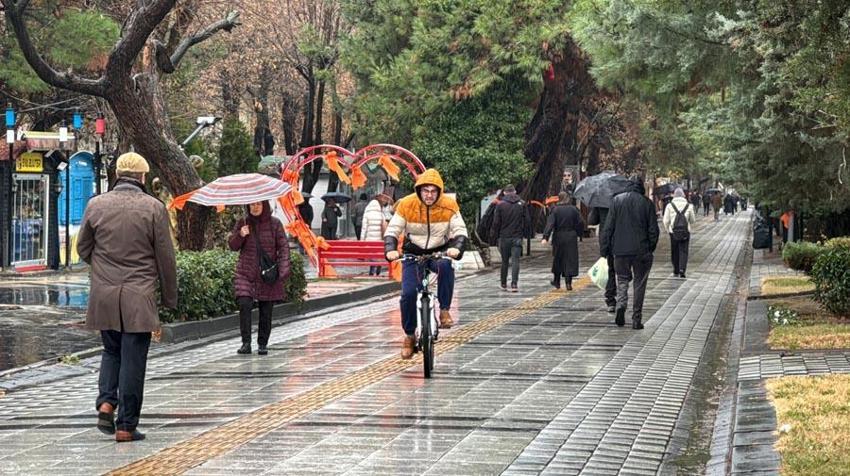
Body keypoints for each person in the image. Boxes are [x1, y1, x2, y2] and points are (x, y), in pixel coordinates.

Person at [76, 152, 176, 443]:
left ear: (118, 174)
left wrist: (103, 265)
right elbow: (165, 258)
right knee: (133, 359)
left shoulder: (96, 204)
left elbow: (83, 247)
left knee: (111, 351)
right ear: (143, 177)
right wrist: (170, 298)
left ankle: (106, 402)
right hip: (139, 295)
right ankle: (125, 426)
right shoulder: (153, 208)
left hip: (105, 294)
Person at [384, 169, 468, 359]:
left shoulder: (449, 205)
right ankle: (409, 336)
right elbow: (393, 230)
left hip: (439, 251)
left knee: (446, 266)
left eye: (433, 191)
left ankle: (444, 310)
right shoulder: (406, 204)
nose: (429, 195)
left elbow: (460, 229)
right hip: (413, 253)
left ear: (439, 191)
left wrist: (457, 248)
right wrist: (390, 249)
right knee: (408, 294)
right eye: (425, 191)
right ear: (419, 190)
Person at [228, 201, 291, 355]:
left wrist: (283, 271)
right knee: (244, 304)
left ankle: (262, 343)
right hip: (246, 272)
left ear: (264, 206)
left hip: (267, 273)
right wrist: (240, 235)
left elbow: (283, 248)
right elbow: (233, 246)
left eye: (258, 204)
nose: (255, 207)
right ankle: (246, 343)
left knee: (266, 309)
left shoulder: (275, 224)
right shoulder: (243, 223)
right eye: (252, 205)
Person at [601, 177, 659, 330]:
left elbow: (608, 228)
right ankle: (636, 319)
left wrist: (605, 249)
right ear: (641, 188)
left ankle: (621, 304)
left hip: (620, 250)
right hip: (642, 251)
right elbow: (654, 231)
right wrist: (650, 248)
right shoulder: (647, 203)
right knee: (640, 284)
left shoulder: (616, 201)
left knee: (622, 280)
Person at [489, 184, 531, 292]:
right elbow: (527, 221)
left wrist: (494, 236)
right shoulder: (522, 204)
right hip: (517, 236)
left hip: (504, 237)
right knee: (516, 260)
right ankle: (514, 284)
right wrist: (526, 234)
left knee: (504, 261)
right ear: (515, 192)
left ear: (504, 193)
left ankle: (503, 283)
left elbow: (496, 223)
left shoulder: (501, 205)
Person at [541, 192, 584, 290]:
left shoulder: (555, 210)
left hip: (559, 236)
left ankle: (557, 281)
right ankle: (568, 283)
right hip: (571, 236)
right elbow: (580, 222)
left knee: (558, 258)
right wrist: (579, 233)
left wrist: (545, 237)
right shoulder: (574, 209)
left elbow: (550, 224)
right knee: (570, 258)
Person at [662, 188, 697, 278]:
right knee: (684, 251)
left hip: (673, 232)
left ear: (674, 195)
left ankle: (676, 269)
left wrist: (668, 229)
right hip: (685, 232)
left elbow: (666, 220)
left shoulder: (670, 205)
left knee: (674, 251)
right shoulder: (689, 206)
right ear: (683, 195)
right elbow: (693, 220)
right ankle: (682, 269)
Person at [588, 205, 617, 312]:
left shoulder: (600, 202)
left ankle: (611, 299)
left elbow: (591, 220)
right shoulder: (622, 198)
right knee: (622, 270)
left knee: (610, 269)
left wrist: (594, 209)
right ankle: (622, 297)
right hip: (621, 238)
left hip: (606, 240)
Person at [361, 192, 392, 276]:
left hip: (369, 239)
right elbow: (384, 227)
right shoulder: (381, 214)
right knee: (377, 254)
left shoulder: (367, 214)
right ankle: (378, 266)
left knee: (371, 255)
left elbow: (364, 228)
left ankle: (372, 269)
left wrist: (362, 240)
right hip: (378, 239)